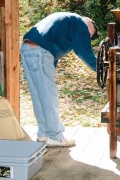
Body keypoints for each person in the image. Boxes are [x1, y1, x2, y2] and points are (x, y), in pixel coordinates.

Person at [21, 12, 100, 147]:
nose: (90, 36)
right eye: (91, 33)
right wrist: (102, 70)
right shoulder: (80, 22)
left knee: (39, 96)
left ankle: (43, 134)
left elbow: (53, 53)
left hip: (27, 49)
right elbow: (84, 52)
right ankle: (55, 136)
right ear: (89, 22)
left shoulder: (66, 21)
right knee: (49, 97)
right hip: (40, 52)